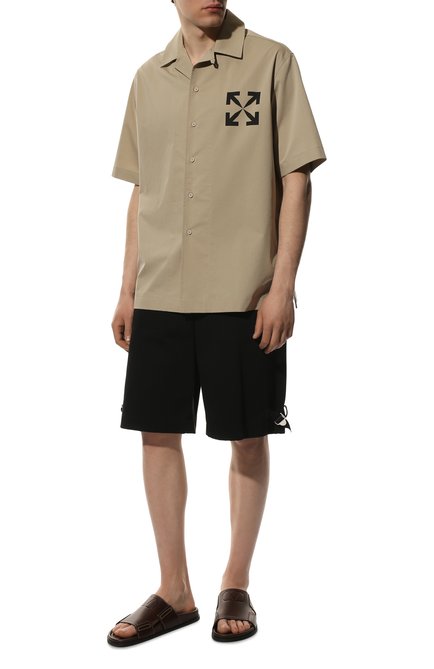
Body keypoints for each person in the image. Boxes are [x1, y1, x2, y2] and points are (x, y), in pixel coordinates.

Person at [107, 0, 326, 646]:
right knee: (156, 432)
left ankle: (236, 581)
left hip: (244, 293)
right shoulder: (148, 78)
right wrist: (127, 289)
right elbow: (141, 190)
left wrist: (282, 286)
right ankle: (174, 590)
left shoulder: (272, 62)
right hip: (162, 289)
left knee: (248, 435)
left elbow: (296, 178)